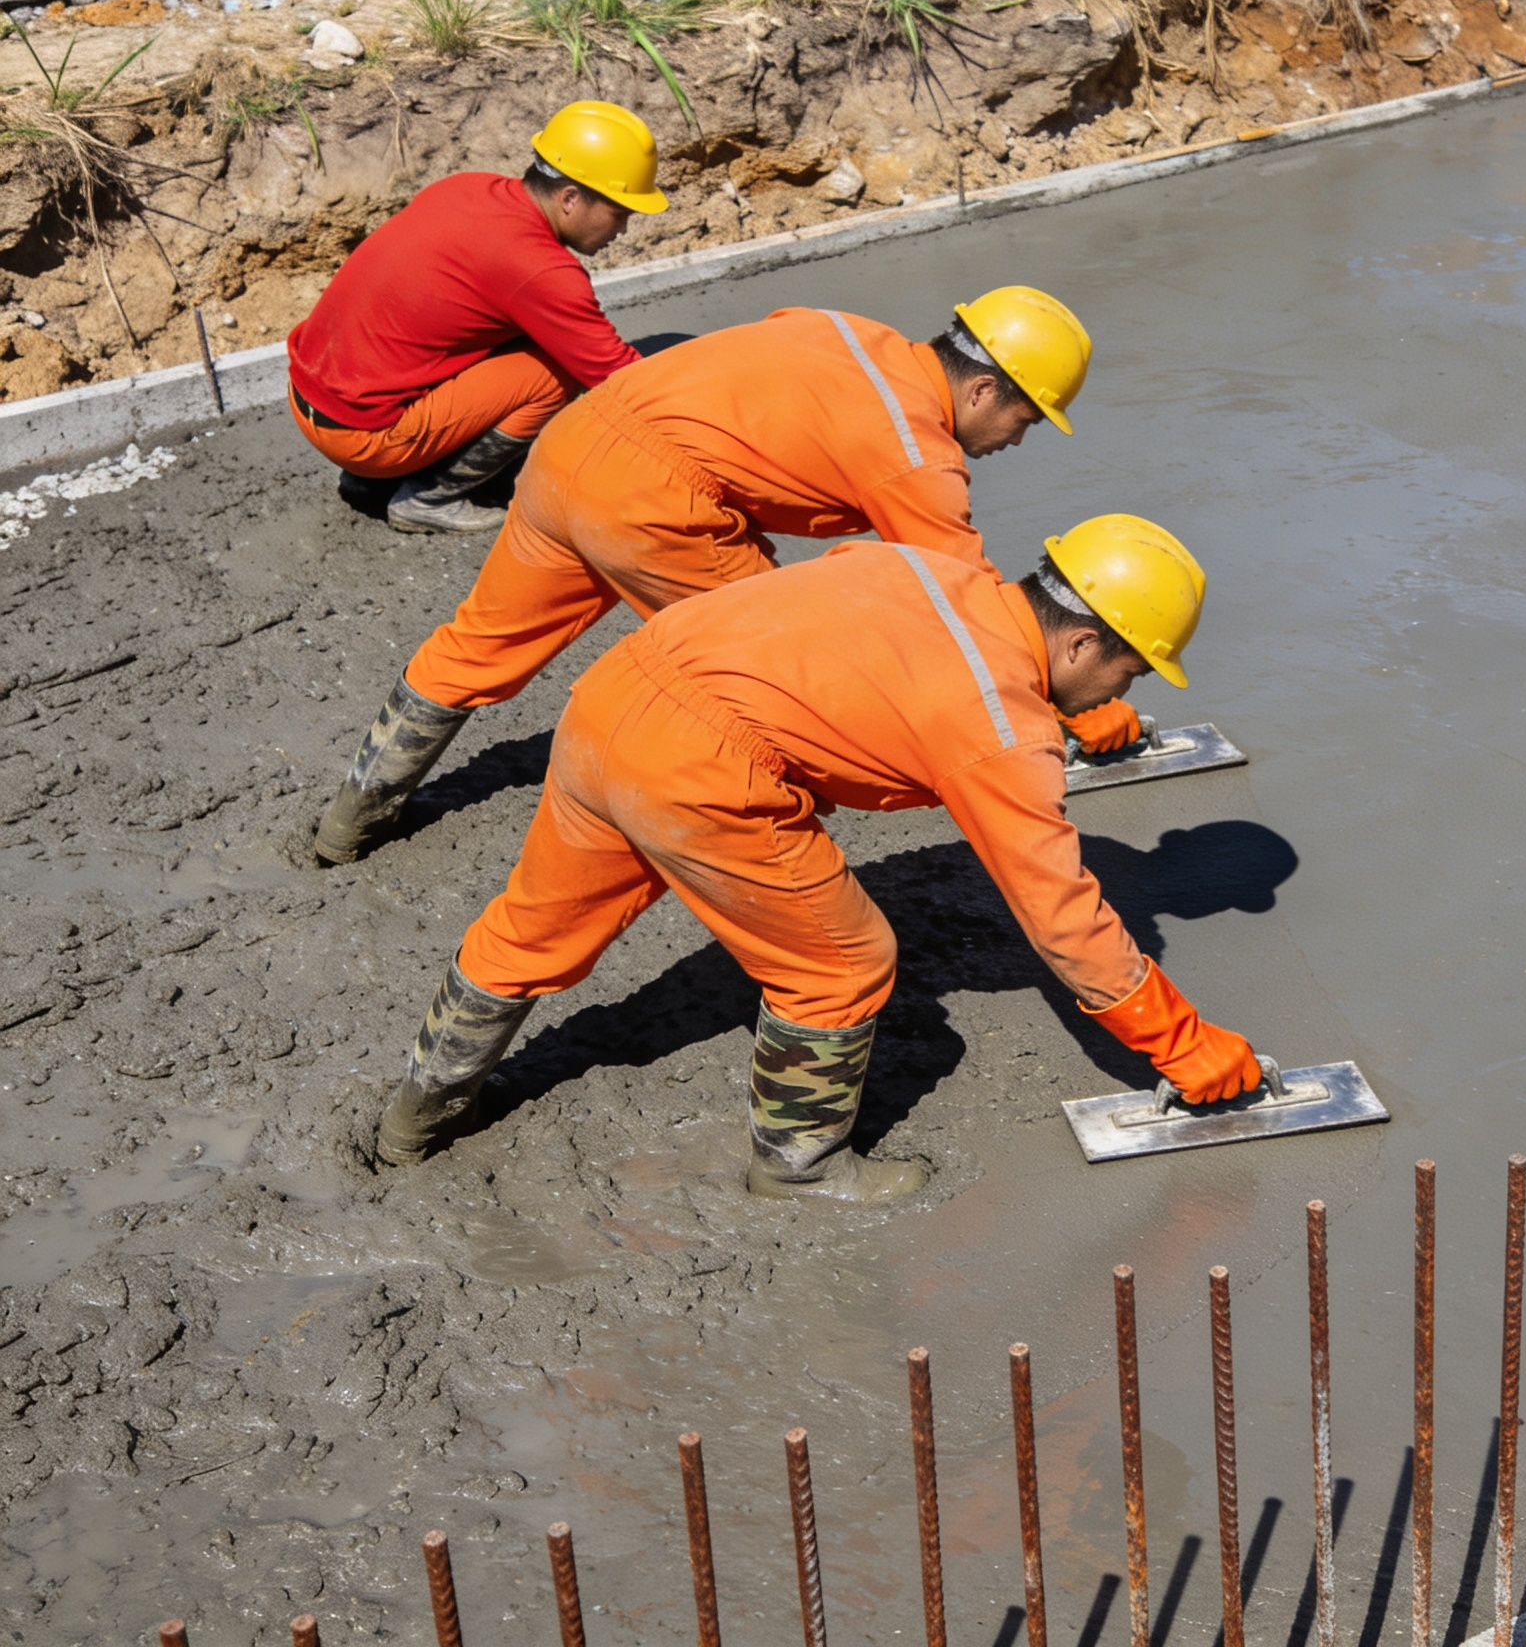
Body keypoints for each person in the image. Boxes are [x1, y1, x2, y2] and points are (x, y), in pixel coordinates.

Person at [372, 514, 1264, 1201]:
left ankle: (415, 1121)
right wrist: (1184, 1049)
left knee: (534, 926)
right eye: (1129, 672)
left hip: (617, 696)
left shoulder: (925, 567)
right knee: (843, 963)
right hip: (703, 769)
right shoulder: (1003, 730)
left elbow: (857, 638)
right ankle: (800, 1169)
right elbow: (1062, 917)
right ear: (1081, 643)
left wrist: (1062, 708)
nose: (1123, 689)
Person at [311, 287, 1147, 867]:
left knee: (480, 643)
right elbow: (969, 616)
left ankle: (348, 823)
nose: (1018, 440)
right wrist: (1065, 708)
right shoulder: (917, 455)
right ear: (987, 387)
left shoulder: (843, 327)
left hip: (575, 445)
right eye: (1025, 419)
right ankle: (730, 845)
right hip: (655, 507)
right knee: (762, 672)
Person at [286, 100, 668, 535]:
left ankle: (373, 481)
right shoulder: (541, 270)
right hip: (361, 436)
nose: (623, 229)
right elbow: (619, 377)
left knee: (517, 334)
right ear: (570, 198)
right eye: (620, 213)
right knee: (557, 371)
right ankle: (428, 498)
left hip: (310, 392)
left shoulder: (466, 188)